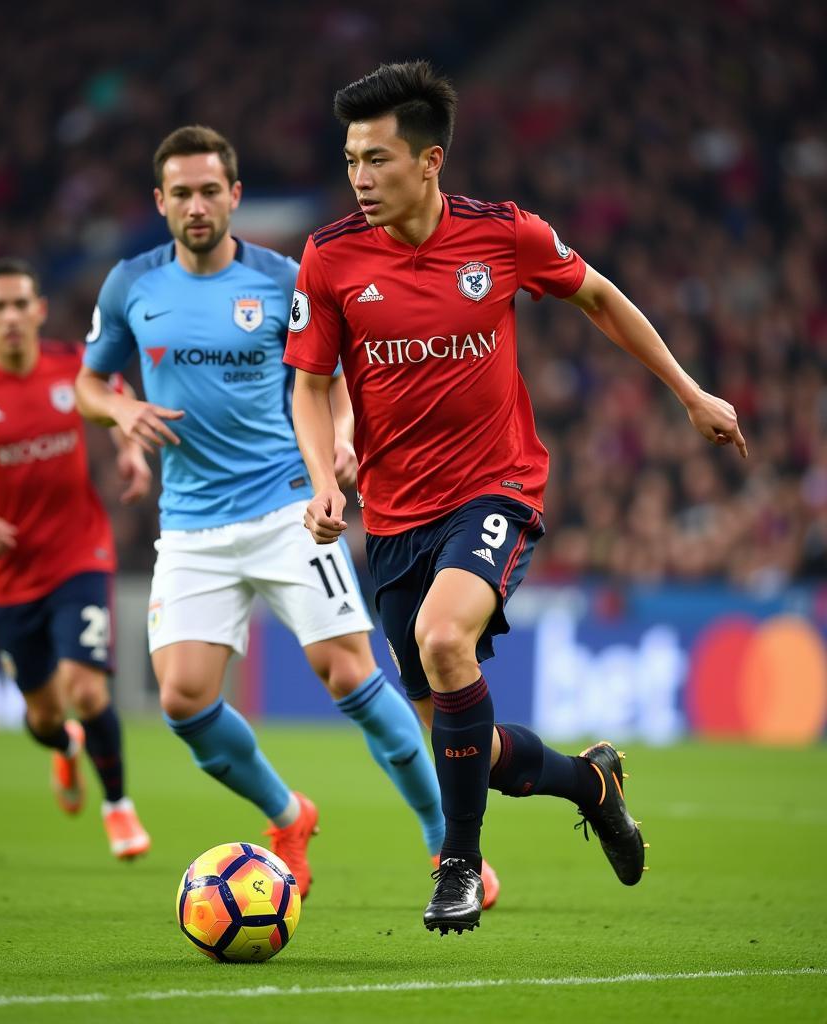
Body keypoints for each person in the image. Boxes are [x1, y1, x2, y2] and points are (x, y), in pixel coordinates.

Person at [285, 61, 747, 933]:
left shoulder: (506, 236)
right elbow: (309, 386)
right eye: (351, 160)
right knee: (466, 746)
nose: (359, 178)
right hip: (392, 518)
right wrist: (324, 474)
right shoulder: (331, 256)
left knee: (442, 637)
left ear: (430, 161)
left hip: (497, 485)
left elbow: (601, 300)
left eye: (377, 159)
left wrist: (690, 393)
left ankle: (458, 867)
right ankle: (591, 781)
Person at [74, 124, 499, 904]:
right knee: (182, 700)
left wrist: (340, 441)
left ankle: (449, 844)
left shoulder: (284, 280)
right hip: (192, 524)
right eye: (181, 193)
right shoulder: (130, 285)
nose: (196, 205)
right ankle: (287, 813)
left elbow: (334, 378)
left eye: (210, 191)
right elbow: (88, 383)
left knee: (352, 677)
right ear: (159, 202)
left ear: (234, 197)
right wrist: (117, 414)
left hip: (284, 509)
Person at [0, 257, 152, 860]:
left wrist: (128, 450)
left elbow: (116, 398)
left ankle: (118, 806)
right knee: (45, 715)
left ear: (40, 310)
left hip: (79, 553)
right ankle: (65, 748)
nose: (13, 316)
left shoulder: (74, 365)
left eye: (23, 304)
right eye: (0, 306)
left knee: (89, 691)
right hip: (9, 574)